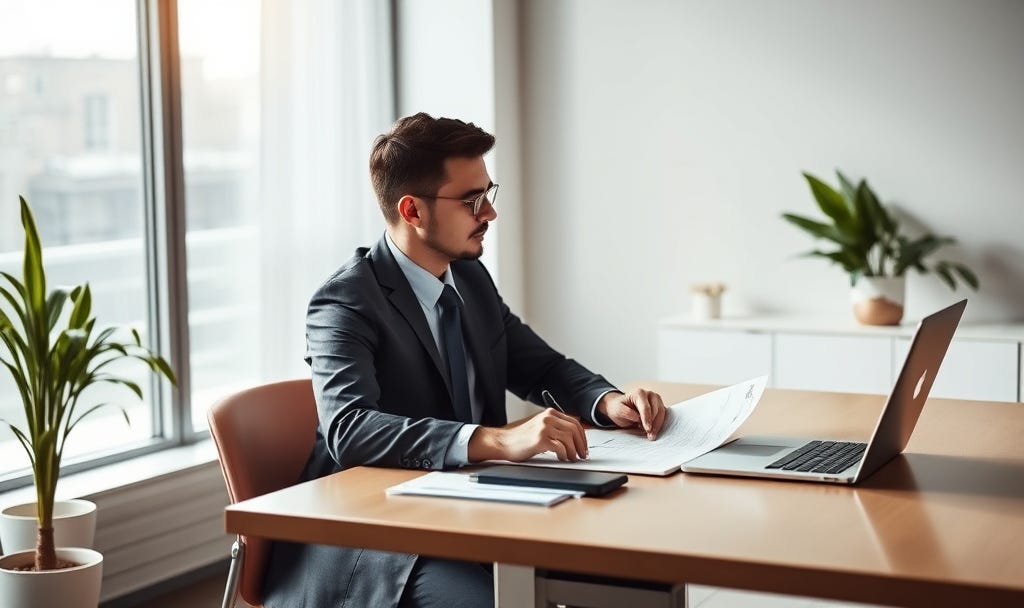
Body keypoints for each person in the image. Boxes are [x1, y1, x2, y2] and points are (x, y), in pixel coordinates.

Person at [263, 113, 668, 608]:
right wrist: (494, 439)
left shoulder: (470, 279)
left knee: (638, 571)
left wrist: (608, 402)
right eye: (471, 200)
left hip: (477, 504)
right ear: (412, 210)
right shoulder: (345, 302)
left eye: (488, 193)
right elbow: (349, 428)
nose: (490, 214)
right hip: (381, 536)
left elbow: (540, 367)